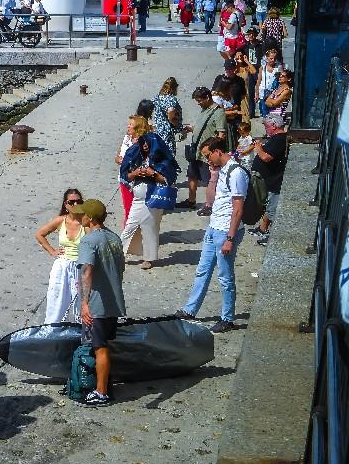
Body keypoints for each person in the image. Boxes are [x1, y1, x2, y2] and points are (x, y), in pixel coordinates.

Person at [178, 138, 247, 333]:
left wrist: (230, 239)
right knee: (203, 270)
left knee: (225, 276)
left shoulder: (236, 173)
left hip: (225, 231)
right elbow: (213, 198)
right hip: (213, 227)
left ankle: (227, 318)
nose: (207, 160)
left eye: (208, 155)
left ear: (218, 151)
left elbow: (238, 209)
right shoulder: (221, 169)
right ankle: (190, 309)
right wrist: (213, 174)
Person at [72, 198, 126, 406]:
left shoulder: (89, 241)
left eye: (82, 214)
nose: (79, 216)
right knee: (103, 345)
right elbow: (120, 269)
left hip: (97, 303)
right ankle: (102, 385)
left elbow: (87, 271)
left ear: (91, 218)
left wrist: (85, 303)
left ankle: (101, 392)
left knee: (99, 347)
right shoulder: (114, 238)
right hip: (113, 301)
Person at [120, 127, 178, 270]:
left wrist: (153, 174)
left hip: (154, 198)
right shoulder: (136, 156)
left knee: (150, 228)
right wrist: (136, 173)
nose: (145, 146)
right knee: (130, 226)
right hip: (138, 198)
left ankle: (149, 258)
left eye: (147, 143)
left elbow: (168, 180)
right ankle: (118, 253)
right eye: (142, 143)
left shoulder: (162, 159)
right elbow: (126, 176)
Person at [35, 188, 86, 322]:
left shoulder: (86, 222)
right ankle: (52, 328)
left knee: (80, 301)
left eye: (79, 201)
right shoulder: (60, 220)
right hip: (62, 266)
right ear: (65, 205)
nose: (75, 204)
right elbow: (40, 234)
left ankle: (82, 329)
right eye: (71, 202)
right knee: (56, 299)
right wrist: (52, 251)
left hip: (81, 265)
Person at [179, 87, 225, 212]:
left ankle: (210, 205)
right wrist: (192, 129)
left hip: (207, 153)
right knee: (192, 175)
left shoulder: (218, 112)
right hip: (196, 151)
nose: (198, 103)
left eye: (199, 100)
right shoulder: (204, 109)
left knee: (210, 180)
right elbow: (205, 127)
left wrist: (214, 153)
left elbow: (221, 134)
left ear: (207, 98)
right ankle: (191, 201)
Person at [248, 114, 289, 245]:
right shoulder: (277, 138)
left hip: (275, 181)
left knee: (272, 211)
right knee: (269, 207)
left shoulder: (279, 139)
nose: (266, 129)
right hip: (270, 180)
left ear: (274, 126)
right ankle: (262, 229)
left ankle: (272, 239)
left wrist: (258, 148)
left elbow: (266, 157)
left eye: (266, 126)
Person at [115, 116, 147, 223]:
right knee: (128, 210)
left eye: (131, 124)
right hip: (125, 179)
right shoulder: (126, 138)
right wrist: (119, 159)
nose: (128, 126)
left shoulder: (145, 143)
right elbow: (117, 156)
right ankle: (129, 231)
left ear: (138, 127)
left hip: (139, 181)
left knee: (140, 211)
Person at [150, 77, 184, 159]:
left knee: (158, 153)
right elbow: (170, 112)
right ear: (175, 88)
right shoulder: (171, 99)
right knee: (168, 156)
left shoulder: (157, 97)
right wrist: (176, 124)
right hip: (167, 132)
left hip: (157, 130)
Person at [255, 47, 281, 118]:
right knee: (264, 113)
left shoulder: (278, 68)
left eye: (275, 58)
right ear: (267, 58)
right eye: (271, 58)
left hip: (274, 93)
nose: (273, 60)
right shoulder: (262, 68)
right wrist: (256, 94)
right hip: (263, 93)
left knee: (273, 112)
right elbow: (258, 82)